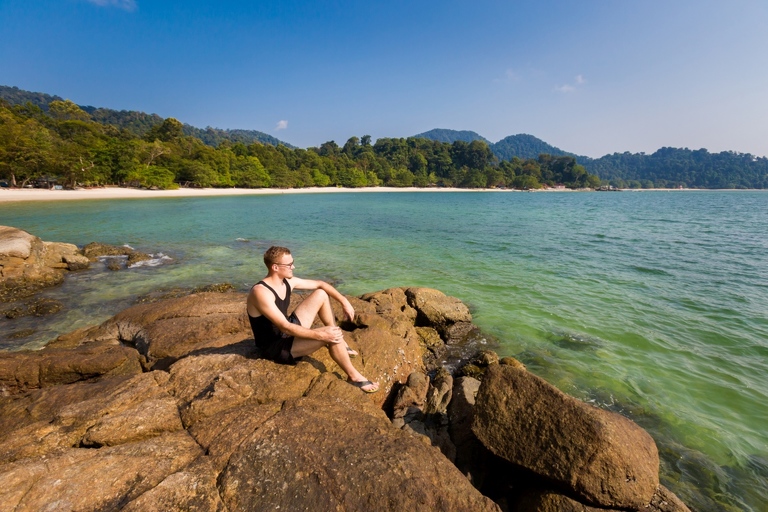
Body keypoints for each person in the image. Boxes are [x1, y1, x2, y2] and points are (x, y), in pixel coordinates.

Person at [247, 246, 379, 393]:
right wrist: (322, 335)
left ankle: (339, 341)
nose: (293, 267)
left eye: (292, 263)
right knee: (331, 335)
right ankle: (354, 377)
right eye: (289, 265)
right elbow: (284, 326)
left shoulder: (287, 282)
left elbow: (320, 284)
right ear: (275, 267)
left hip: (288, 331)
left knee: (321, 294)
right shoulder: (261, 292)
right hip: (275, 346)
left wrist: (344, 301)